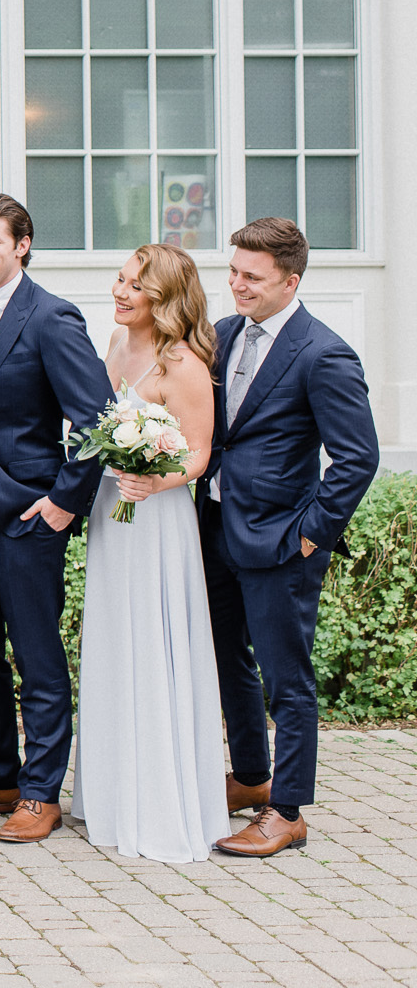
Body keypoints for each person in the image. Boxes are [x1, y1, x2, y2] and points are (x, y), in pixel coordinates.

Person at [200, 218, 380, 857]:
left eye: (252, 277)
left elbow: (357, 458)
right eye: (234, 272)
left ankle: (288, 811)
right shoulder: (223, 335)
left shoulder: (324, 353)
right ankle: (252, 776)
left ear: (290, 281)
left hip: (281, 541)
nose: (237, 285)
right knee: (228, 659)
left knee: (287, 679)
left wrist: (311, 536)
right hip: (215, 528)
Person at [0, 193, 113, 843]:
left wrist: (64, 503)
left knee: (37, 657)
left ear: (22, 245)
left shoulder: (51, 317)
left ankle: (42, 792)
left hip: (27, 516)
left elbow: (97, 420)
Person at [71, 243, 228, 862]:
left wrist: (155, 481)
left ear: (164, 299)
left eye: (136, 286)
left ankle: (160, 797)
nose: (121, 292)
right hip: (113, 512)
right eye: (120, 279)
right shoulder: (115, 343)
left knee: (152, 639)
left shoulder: (182, 363)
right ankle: (113, 791)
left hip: (157, 518)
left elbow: (199, 453)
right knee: (115, 637)